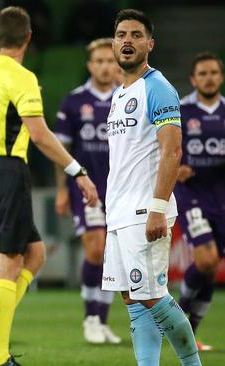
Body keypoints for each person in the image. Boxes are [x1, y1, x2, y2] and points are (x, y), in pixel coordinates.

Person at [0, 7, 99, 366]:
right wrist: (77, 171)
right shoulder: (22, 77)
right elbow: (39, 134)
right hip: (7, 171)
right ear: (28, 38)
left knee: (35, 253)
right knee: (8, 261)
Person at [101, 9, 202, 366]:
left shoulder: (158, 87)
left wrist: (158, 205)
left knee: (151, 296)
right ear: (114, 42)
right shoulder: (118, 95)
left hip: (145, 210)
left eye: (136, 35)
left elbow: (172, 150)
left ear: (150, 44)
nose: (127, 41)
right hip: (119, 212)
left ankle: (192, 363)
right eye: (122, 35)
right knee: (133, 297)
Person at [53, 37, 121, 344]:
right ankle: (90, 317)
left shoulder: (126, 99)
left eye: (111, 61)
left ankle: (103, 319)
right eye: (100, 61)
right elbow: (61, 150)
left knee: (113, 253)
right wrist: (62, 190)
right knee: (96, 247)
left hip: (121, 188)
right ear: (90, 65)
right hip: (88, 187)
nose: (106, 66)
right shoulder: (74, 101)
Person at [176, 52, 225, 352]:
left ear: (220, 77)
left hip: (221, 194)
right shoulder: (182, 109)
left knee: (211, 266)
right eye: (202, 74)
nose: (209, 78)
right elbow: (162, 146)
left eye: (213, 73)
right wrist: (175, 166)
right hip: (191, 192)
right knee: (206, 259)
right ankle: (177, 314)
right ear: (194, 79)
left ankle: (188, 334)